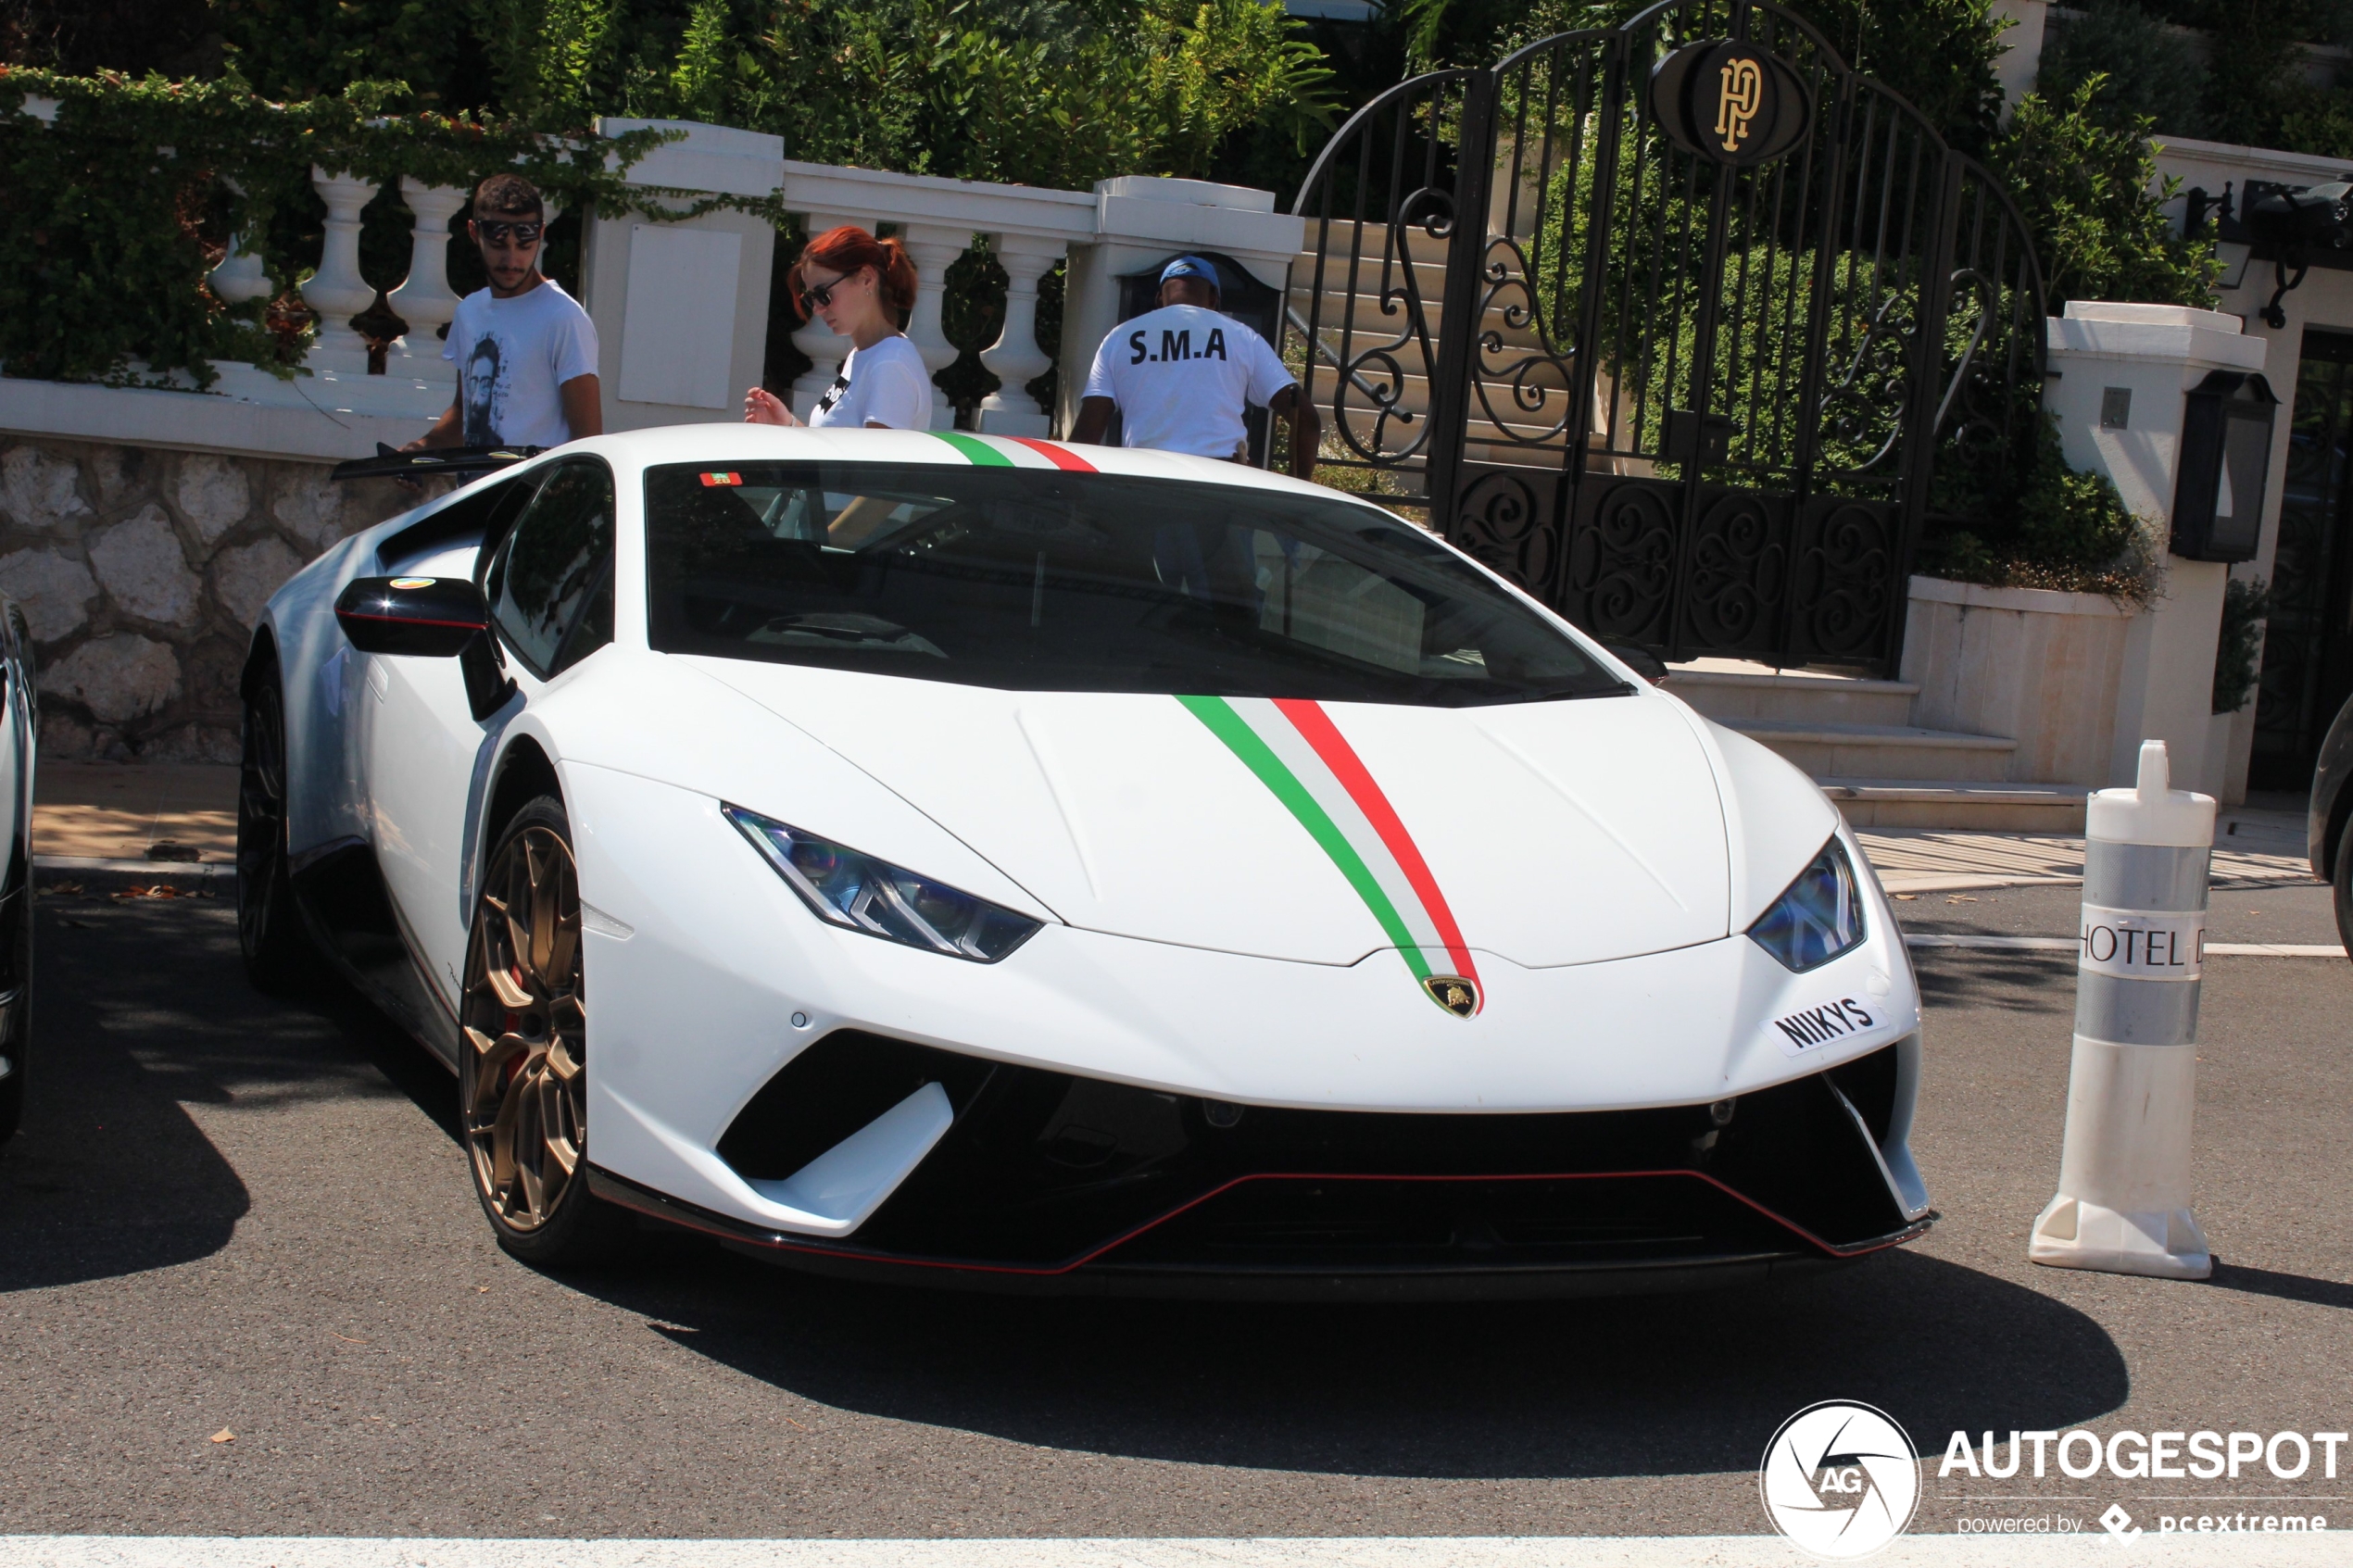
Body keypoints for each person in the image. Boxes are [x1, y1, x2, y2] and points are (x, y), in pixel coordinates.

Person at [1069, 256, 1321, 480]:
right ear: (1213, 298)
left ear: (1159, 299)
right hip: (1220, 481)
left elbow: (1089, 430)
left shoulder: (1119, 338)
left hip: (1145, 480)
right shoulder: (1243, 337)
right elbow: (1306, 419)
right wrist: (1295, 492)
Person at [406, 174, 601, 453]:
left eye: (524, 246)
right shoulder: (469, 312)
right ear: (474, 233)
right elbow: (466, 413)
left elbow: (588, 442)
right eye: (499, 245)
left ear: (541, 234)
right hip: (477, 491)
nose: (511, 261)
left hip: (533, 493)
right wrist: (422, 448)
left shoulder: (564, 318)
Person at [744, 225, 933, 431]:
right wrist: (788, 425)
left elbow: (875, 461)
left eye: (823, 293)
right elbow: (839, 453)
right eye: (811, 298)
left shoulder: (889, 364)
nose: (816, 309)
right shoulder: (866, 356)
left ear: (867, 279)